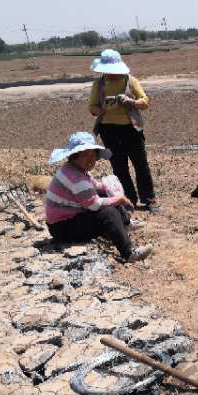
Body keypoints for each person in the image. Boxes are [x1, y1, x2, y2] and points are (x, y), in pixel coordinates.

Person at [45, 132, 152, 262]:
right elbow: (93, 204)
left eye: (93, 154)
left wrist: (111, 189)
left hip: (65, 222)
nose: (91, 159)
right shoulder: (76, 178)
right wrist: (119, 199)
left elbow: (96, 186)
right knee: (108, 212)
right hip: (62, 228)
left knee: (107, 195)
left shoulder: (74, 170)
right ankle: (128, 253)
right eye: (85, 155)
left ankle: (124, 224)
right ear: (74, 156)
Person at [88, 49, 159, 213]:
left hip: (131, 129)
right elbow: (92, 107)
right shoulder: (98, 84)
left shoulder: (130, 81)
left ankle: (149, 199)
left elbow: (145, 101)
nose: (111, 75)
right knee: (119, 166)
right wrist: (103, 108)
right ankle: (129, 199)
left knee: (141, 165)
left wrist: (131, 102)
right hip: (108, 130)